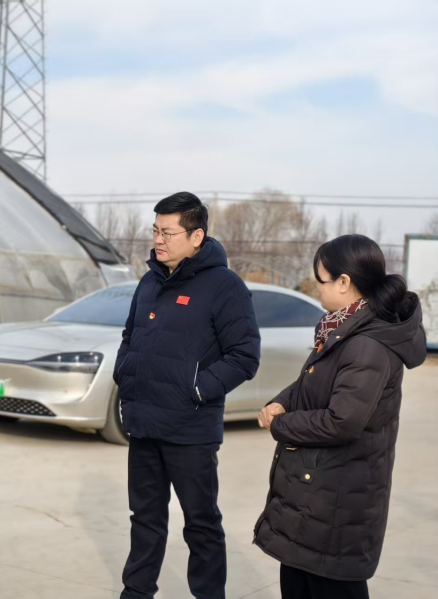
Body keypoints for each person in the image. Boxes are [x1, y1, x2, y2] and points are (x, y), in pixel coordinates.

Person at [254, 235, 427, 599]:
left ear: (344, 282)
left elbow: (342, 420)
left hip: (338, 503)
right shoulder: (340, 328)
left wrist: (281, 425)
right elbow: (315, 380)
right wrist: (282, 401)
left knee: (331, 585)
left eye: (320, 280)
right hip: (314, 493)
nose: (316, 287)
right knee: (298, 581)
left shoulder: (368, 344)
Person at [114, 191, 261, 599]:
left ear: (196, 237)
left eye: (168, 232)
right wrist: (124, 373)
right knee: (144, 519)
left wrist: (196, 389)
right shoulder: (149, 281)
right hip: (144, 424)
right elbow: (130, 335)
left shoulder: (225, 286)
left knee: (200, 523)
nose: (158, 240)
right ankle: (136, 593)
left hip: (190, 430)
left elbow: (245, 356)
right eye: (155, 230)